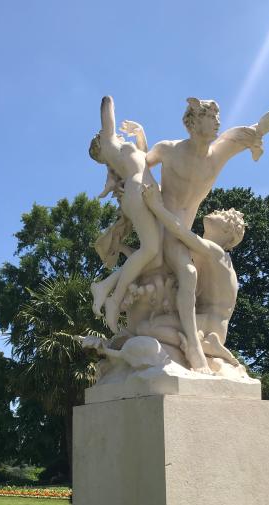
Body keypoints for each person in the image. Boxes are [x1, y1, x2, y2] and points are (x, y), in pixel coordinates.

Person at [120, 77, 269, 371]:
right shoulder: (169, 149)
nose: (218, 122)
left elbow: (262, 126)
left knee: (186, 277)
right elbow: (142, 167)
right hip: (163, 225)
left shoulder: (221, 151)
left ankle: (184, 341)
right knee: (187, 272)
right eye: (211, 116)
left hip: (183, 230)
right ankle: (194, 350)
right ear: (194, 121)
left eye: (218, 116)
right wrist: (141, 136)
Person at [139, 183, 246, 366]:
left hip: (208, 323)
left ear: (227, 230)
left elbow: (179, 231)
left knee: (146, 327)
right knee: (148, 326)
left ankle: (199, 347)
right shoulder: (213, 257)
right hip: (212, 325)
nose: (215, 211)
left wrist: (155, 205)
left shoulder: (216, 252)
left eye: (221, 214)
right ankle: (206, 345)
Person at [88, 96, 162, 333]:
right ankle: (113, 298)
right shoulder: (110, 146)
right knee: (151, 248)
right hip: (137, 195)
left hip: (146, 195)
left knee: (158, 252)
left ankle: (106, 286)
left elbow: (145, 156)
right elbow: (107, 107)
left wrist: (139, 132)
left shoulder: (124, 150)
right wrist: (108, 101)